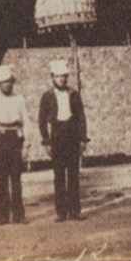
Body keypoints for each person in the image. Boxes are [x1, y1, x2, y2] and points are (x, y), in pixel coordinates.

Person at [38, 58, 87, 221]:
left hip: (72, 135)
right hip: (57, 136)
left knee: (73, 175)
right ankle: (61, 212)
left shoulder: (74, 95)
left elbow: (81, 118)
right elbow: (42, 120)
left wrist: (83, 140)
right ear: (52, 78)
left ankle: (75, 211)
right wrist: (46, 141)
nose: (61, 80)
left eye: (64, 77)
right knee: (59, 176)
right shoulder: (47, 96)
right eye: (58, 77)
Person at [0, 64, 29, 225]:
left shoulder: (19, 100)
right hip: (0, 140)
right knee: (2, 180)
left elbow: (26, 122)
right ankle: (2, 216)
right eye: (4, 82)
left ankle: (19, 215)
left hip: (15, 139)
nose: (7, 85)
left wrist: (27, 145)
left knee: (16, 179)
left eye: (10, 81)